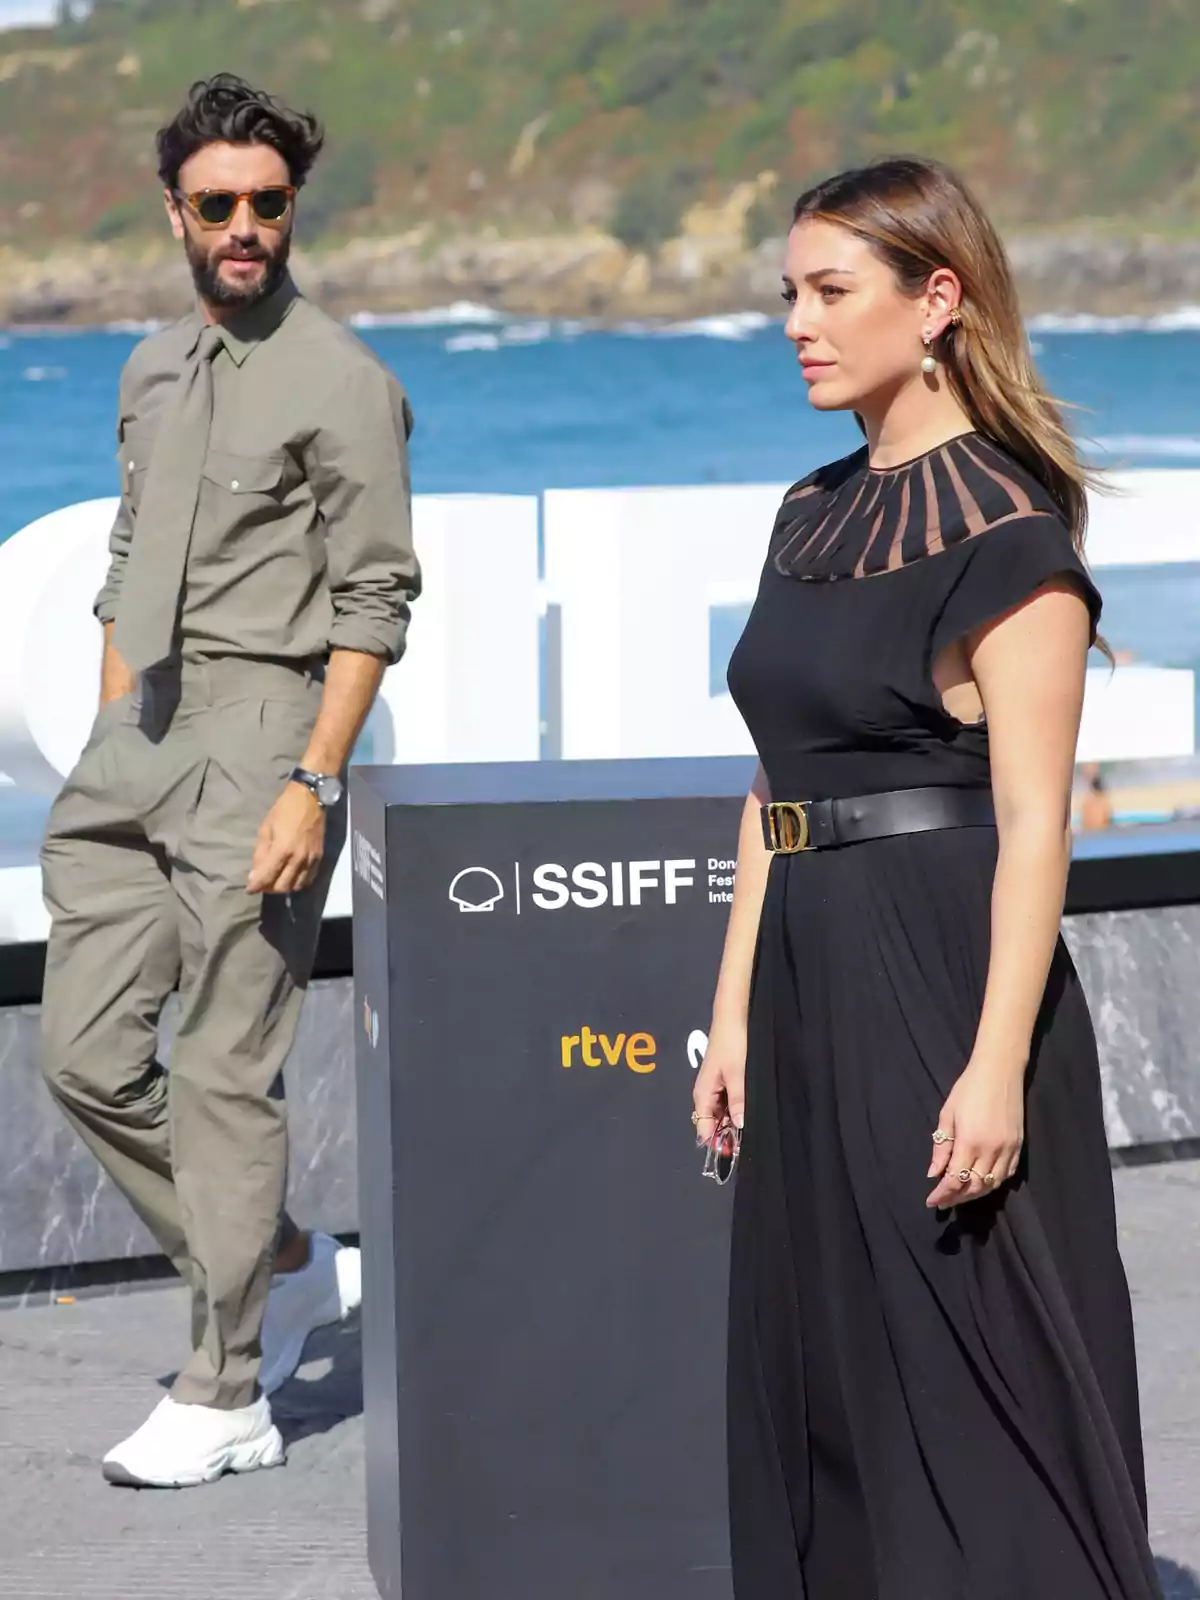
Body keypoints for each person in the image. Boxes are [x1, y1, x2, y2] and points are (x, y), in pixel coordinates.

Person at [695, 157, 1162, 1599]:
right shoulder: (808, 512)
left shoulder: (1015, 544)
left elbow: (1037, 825)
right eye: (792, 292)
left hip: (939, 969)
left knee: (967, 1353)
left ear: (936, 300)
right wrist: (735, 1014)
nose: (798, 322)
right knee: (823, 1352)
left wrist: (998, 1065)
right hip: (805, 965)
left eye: (833, 293)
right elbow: (779, 782)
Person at [39, 74, 420, 1489]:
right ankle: (277, 1256)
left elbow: (375, 597)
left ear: (292, 209)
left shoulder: (344, 382)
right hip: (134, 737)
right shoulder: (146, 369)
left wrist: (310, 783)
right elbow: (130, 555)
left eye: (269, 202)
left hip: (268, 736)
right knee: (80, 1056)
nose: (246, 225)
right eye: (219, 205)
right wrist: (107, 728)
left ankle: (229, 1388)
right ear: (176, 213)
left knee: (221, 1068)